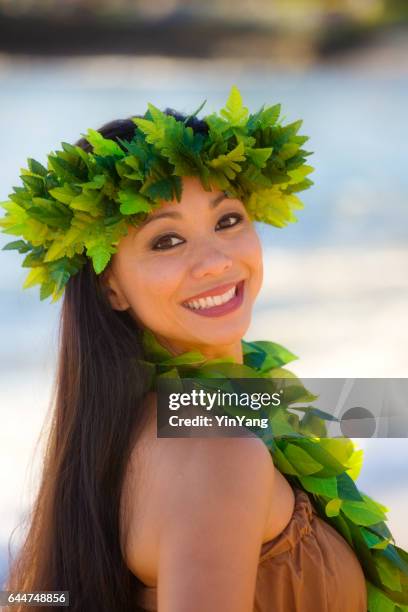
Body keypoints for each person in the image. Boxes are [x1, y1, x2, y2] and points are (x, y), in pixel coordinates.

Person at [1, 87, 406, 612]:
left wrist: (392, 407)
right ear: (110, 287)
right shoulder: (220, 454)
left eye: (227, 220)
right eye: (166, 241)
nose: (215, 261)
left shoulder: (144, 414)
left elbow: (295, 410)